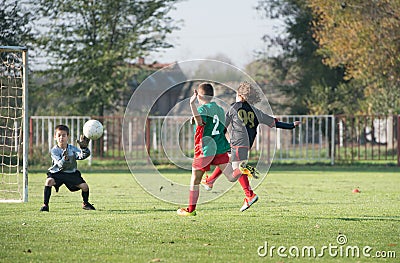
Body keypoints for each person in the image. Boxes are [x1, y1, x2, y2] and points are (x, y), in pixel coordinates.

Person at [201, 81, 301, 212]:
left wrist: (216, 140)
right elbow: (273, 123)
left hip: (237, 143)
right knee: (227, 160)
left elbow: (223, 127)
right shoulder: (256, 111)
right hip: (246, 145)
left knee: (235, 171)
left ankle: (249, 194)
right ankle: (210, 181)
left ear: (240, 95)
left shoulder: (234, 107)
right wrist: (291, 125)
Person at [177, 82, 246, 216]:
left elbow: (199, 122)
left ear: (198, 95)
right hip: (219, 147)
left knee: (195, 180)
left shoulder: (202, 109)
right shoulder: (220, 110)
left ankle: (190, 210)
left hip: (205, 150)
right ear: (212, 95)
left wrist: (192, 105)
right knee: (232, 177)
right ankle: (242, 169)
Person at [40, 124, 96, 212]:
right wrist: (64, 159)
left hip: (71, 173)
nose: (61, 137)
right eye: (59, 135)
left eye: (64, 135)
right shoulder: (54, 150)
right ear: (55, 137)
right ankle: (45, 205)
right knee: (49, 181)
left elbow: (82, 156)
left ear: (67, 137)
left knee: (85, 187)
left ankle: (85, 204)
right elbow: (59, 164)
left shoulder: (72, 149)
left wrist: (84, 148)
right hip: (58, 173)